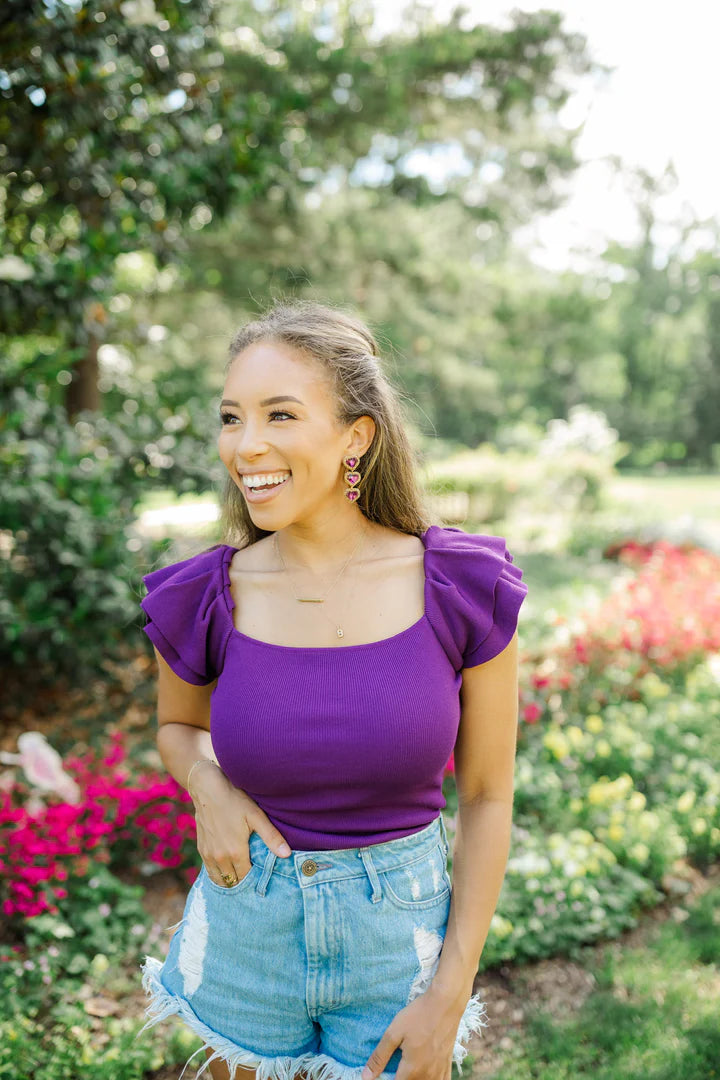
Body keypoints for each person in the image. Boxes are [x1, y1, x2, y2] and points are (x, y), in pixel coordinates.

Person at [135, 299, 528, 1080]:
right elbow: (178, 730)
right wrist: (205, 782)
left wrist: (451, 988)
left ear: (357, 436)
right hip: (247, 928)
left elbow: (487, 796)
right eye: (231, 418)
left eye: (281, 415)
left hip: (397, 944)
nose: (247, 447)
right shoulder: (206, 595)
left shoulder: (461, 586)